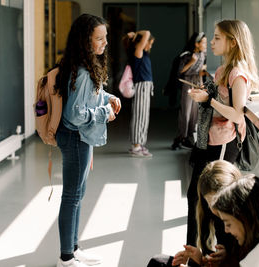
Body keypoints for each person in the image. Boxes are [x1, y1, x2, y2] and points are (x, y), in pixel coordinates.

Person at [54, 14, 121, 267]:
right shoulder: (82, 72)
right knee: (72, 196)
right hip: (76, 137)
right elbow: (75, 114)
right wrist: (105, 112)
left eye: (105, 38)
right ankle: (66, 257)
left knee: (77, 194)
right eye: (99, 39)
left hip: (79, 138)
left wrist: (108, 97)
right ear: (85, 41)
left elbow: (91, 95)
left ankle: (73, 248)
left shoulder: (83, 65)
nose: (105, 43)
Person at [186, 19, 259, 246]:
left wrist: (208, 99)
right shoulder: (222, 70)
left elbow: (238, 115)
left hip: (223, 145)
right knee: (197, 197)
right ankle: (197, 252)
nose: (212, 41)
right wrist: (206, 95)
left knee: (216, 200)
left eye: (218, 37)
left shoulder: (237, 74)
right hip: (210, 141)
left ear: (233, 42)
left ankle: (219, 254)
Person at [147, 160, 241, 267]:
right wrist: (202, 259)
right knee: (157, 262)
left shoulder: (243, 224)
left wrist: (228, 259)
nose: (218, 210)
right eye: (212, 203)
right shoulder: (213, 215)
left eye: (221, 202)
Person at [171, 32, 207, 150]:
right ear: (196, 44)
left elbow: (200, 72)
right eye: (203, 42)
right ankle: (180, 138)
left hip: (196, 84)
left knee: (194, 113)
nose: (205, 45)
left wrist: (201, 85)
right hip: (187, 84)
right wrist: (191, 62)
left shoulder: (203, 55)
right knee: (185, 112)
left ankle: (188, 138)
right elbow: (181, 71)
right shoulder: (188, 55)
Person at [124, 30, 155, 158]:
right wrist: (137, 34)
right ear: (141, 43)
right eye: (149, 43)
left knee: (143, 117)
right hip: (141, 87)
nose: (150, 46)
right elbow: (147, 32)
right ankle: (136, 146)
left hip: (146, 87)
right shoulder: (138, 52)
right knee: (139, 117)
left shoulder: (143, 54)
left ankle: (139, 144)